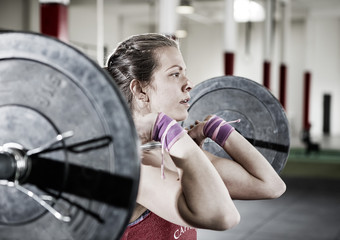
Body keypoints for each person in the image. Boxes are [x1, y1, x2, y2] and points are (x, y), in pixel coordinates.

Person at [105, 33, 286, 240]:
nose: (189, 83)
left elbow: (271, 185)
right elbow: (224, 216)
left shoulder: (172, 153)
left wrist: (218, 129)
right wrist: (167, 129)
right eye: (175, 74)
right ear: (139, 90)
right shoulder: (132, 166)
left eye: (185, 73)